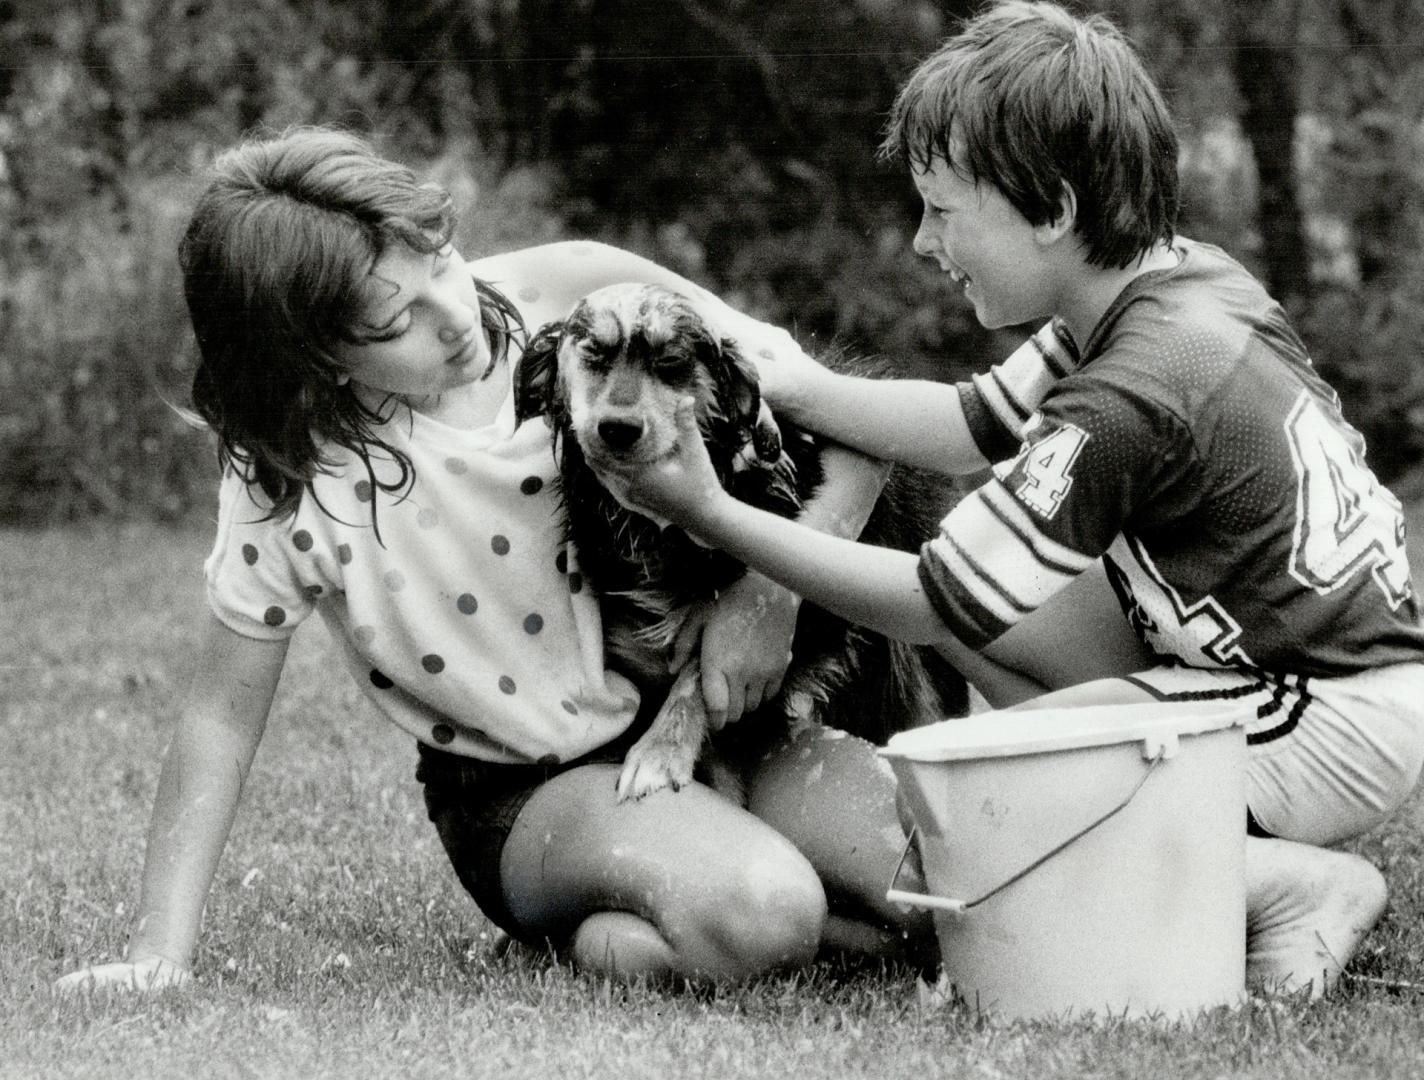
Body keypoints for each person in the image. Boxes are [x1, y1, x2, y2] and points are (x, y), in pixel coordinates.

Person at [591, 0, 1424, 998]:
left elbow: (923, 600)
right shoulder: (1163, 282)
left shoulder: (1130, 392)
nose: (917, 241)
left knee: (999, 814)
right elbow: (966, 422)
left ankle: (1292, 886)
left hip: (1320, 709)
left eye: (942, 211)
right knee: (985, 615)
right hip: (1273, 664)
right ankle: (1145, 815)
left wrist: (710, 513)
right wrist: (801, 386)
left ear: (1054, 207)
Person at [52, 125, 944, 992]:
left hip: (714, 724)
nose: (456, 314)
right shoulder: (290, 483)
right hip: (530, 791)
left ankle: (731, 871)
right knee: (767, 913)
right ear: (316, 357)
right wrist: (158, 954)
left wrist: (768, 591)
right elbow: (218, 718)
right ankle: (604, 929)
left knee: (941, 869)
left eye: (438, 257)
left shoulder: (580, 297)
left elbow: (849, 419)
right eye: (397, 318)